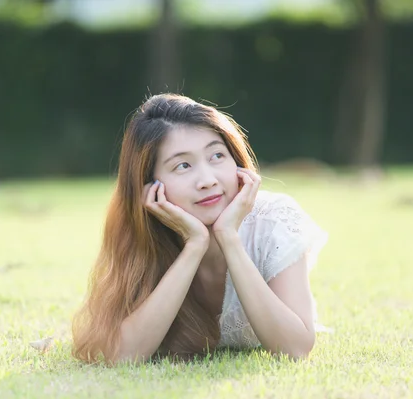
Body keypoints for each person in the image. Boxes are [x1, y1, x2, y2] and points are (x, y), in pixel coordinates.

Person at [72, 93, 328, 365]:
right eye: (183, 165)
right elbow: (123, 355)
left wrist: (229, 238)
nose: (207, 180)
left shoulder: (273, 221)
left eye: (217, 155)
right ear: (149, 186)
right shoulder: (141, 234)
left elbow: (296, 348)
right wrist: (194, 246)